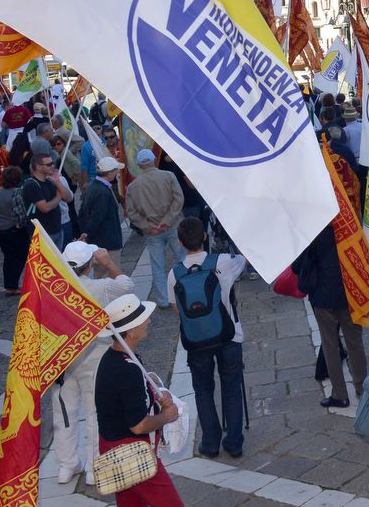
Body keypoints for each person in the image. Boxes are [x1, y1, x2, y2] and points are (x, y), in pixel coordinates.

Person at [94, 293, 184, 507]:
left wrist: (155, 397)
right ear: (131, 332)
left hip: (112, 445)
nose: (150, 321)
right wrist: (166, 416)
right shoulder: (127, 369)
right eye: (144, 319)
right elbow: (138, 425)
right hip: (130, 450)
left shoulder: (115, 358)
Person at [52, 242, 134, 484]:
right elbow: (128, 286)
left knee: (64, 413)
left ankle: (66, 466)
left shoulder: (54, 288)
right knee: (95, 412)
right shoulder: (101, 287)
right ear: (90, 265)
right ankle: (94, 466)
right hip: (94, 355)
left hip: (63, 358)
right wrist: (108, 263)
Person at [168, 218, 246, 460]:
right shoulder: (223, 263)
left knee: (202, 389)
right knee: (231, 387)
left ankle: (210, 442)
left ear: (180, 243)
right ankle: (233, 442)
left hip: (196, 340)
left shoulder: (175, 274)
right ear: (205, 237)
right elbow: (244, 258)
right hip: (229, 335)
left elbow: (177, 310)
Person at [299, 217, 368, 410]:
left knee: (330, 345)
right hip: (349, 294)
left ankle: (339, 394)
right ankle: (362, 389)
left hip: (323, 297)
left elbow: (298, 266)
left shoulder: (314, 232)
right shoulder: (350, 228)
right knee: (355, 342)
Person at [126, 149, 185, 309]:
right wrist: (167, 220)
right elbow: (178, 199)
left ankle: (163, 300)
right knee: (183, 261)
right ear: (154, 160)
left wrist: (149, 226)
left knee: (157, 266)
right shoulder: (168, 176)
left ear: (139, 165)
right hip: (173, 226)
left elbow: (132, 213)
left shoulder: (133, 186)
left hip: (152, 231)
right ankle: (187, 292)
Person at [0, 166, 32, 295]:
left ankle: (9, 285)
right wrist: (22, 225)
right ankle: (14, 284)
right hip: (13, 229)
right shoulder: (16, 193)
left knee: (8, 258)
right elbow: (20, 214)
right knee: (20, 258)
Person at [22, 153, 74, 241]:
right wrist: (58, 197)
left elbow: (69, 198)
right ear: (38, 167)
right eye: (49, 164)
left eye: (52, 163)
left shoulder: (50, 182)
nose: (53, 166)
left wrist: (58, 182)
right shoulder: (31, 185)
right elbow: (45, 208)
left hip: (57, 230)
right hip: (43, 235)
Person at [80, 156, 126, 252]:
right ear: (109, 173)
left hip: (100, 241)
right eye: (116, 170)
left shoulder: (92, 186)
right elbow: (96, 217)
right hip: (107, 243)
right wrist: (87, 236)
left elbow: (82, 212)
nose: (118, 172)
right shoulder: (103, 191)